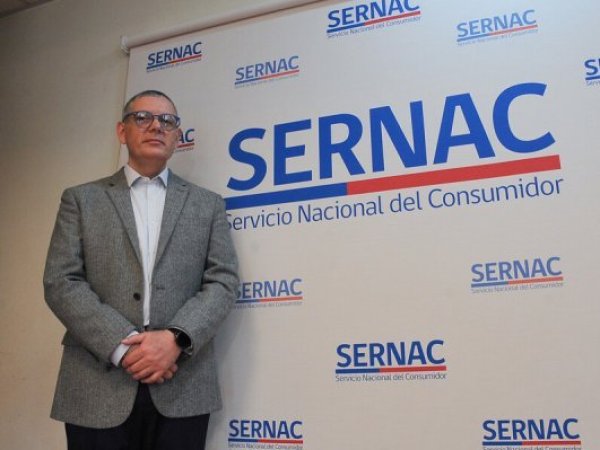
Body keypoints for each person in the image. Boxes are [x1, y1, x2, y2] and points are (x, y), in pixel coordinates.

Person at [43, 90, 239, 450]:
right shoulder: (81, 199)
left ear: (177, 136)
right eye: (143, 118)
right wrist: (124, 347)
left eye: (167, 121)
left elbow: (223, 281)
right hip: (96, 382)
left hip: (182, 382)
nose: (156, 126)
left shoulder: (207, 204)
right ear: (122, 131)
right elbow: (61, 281)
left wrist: (175, 339)